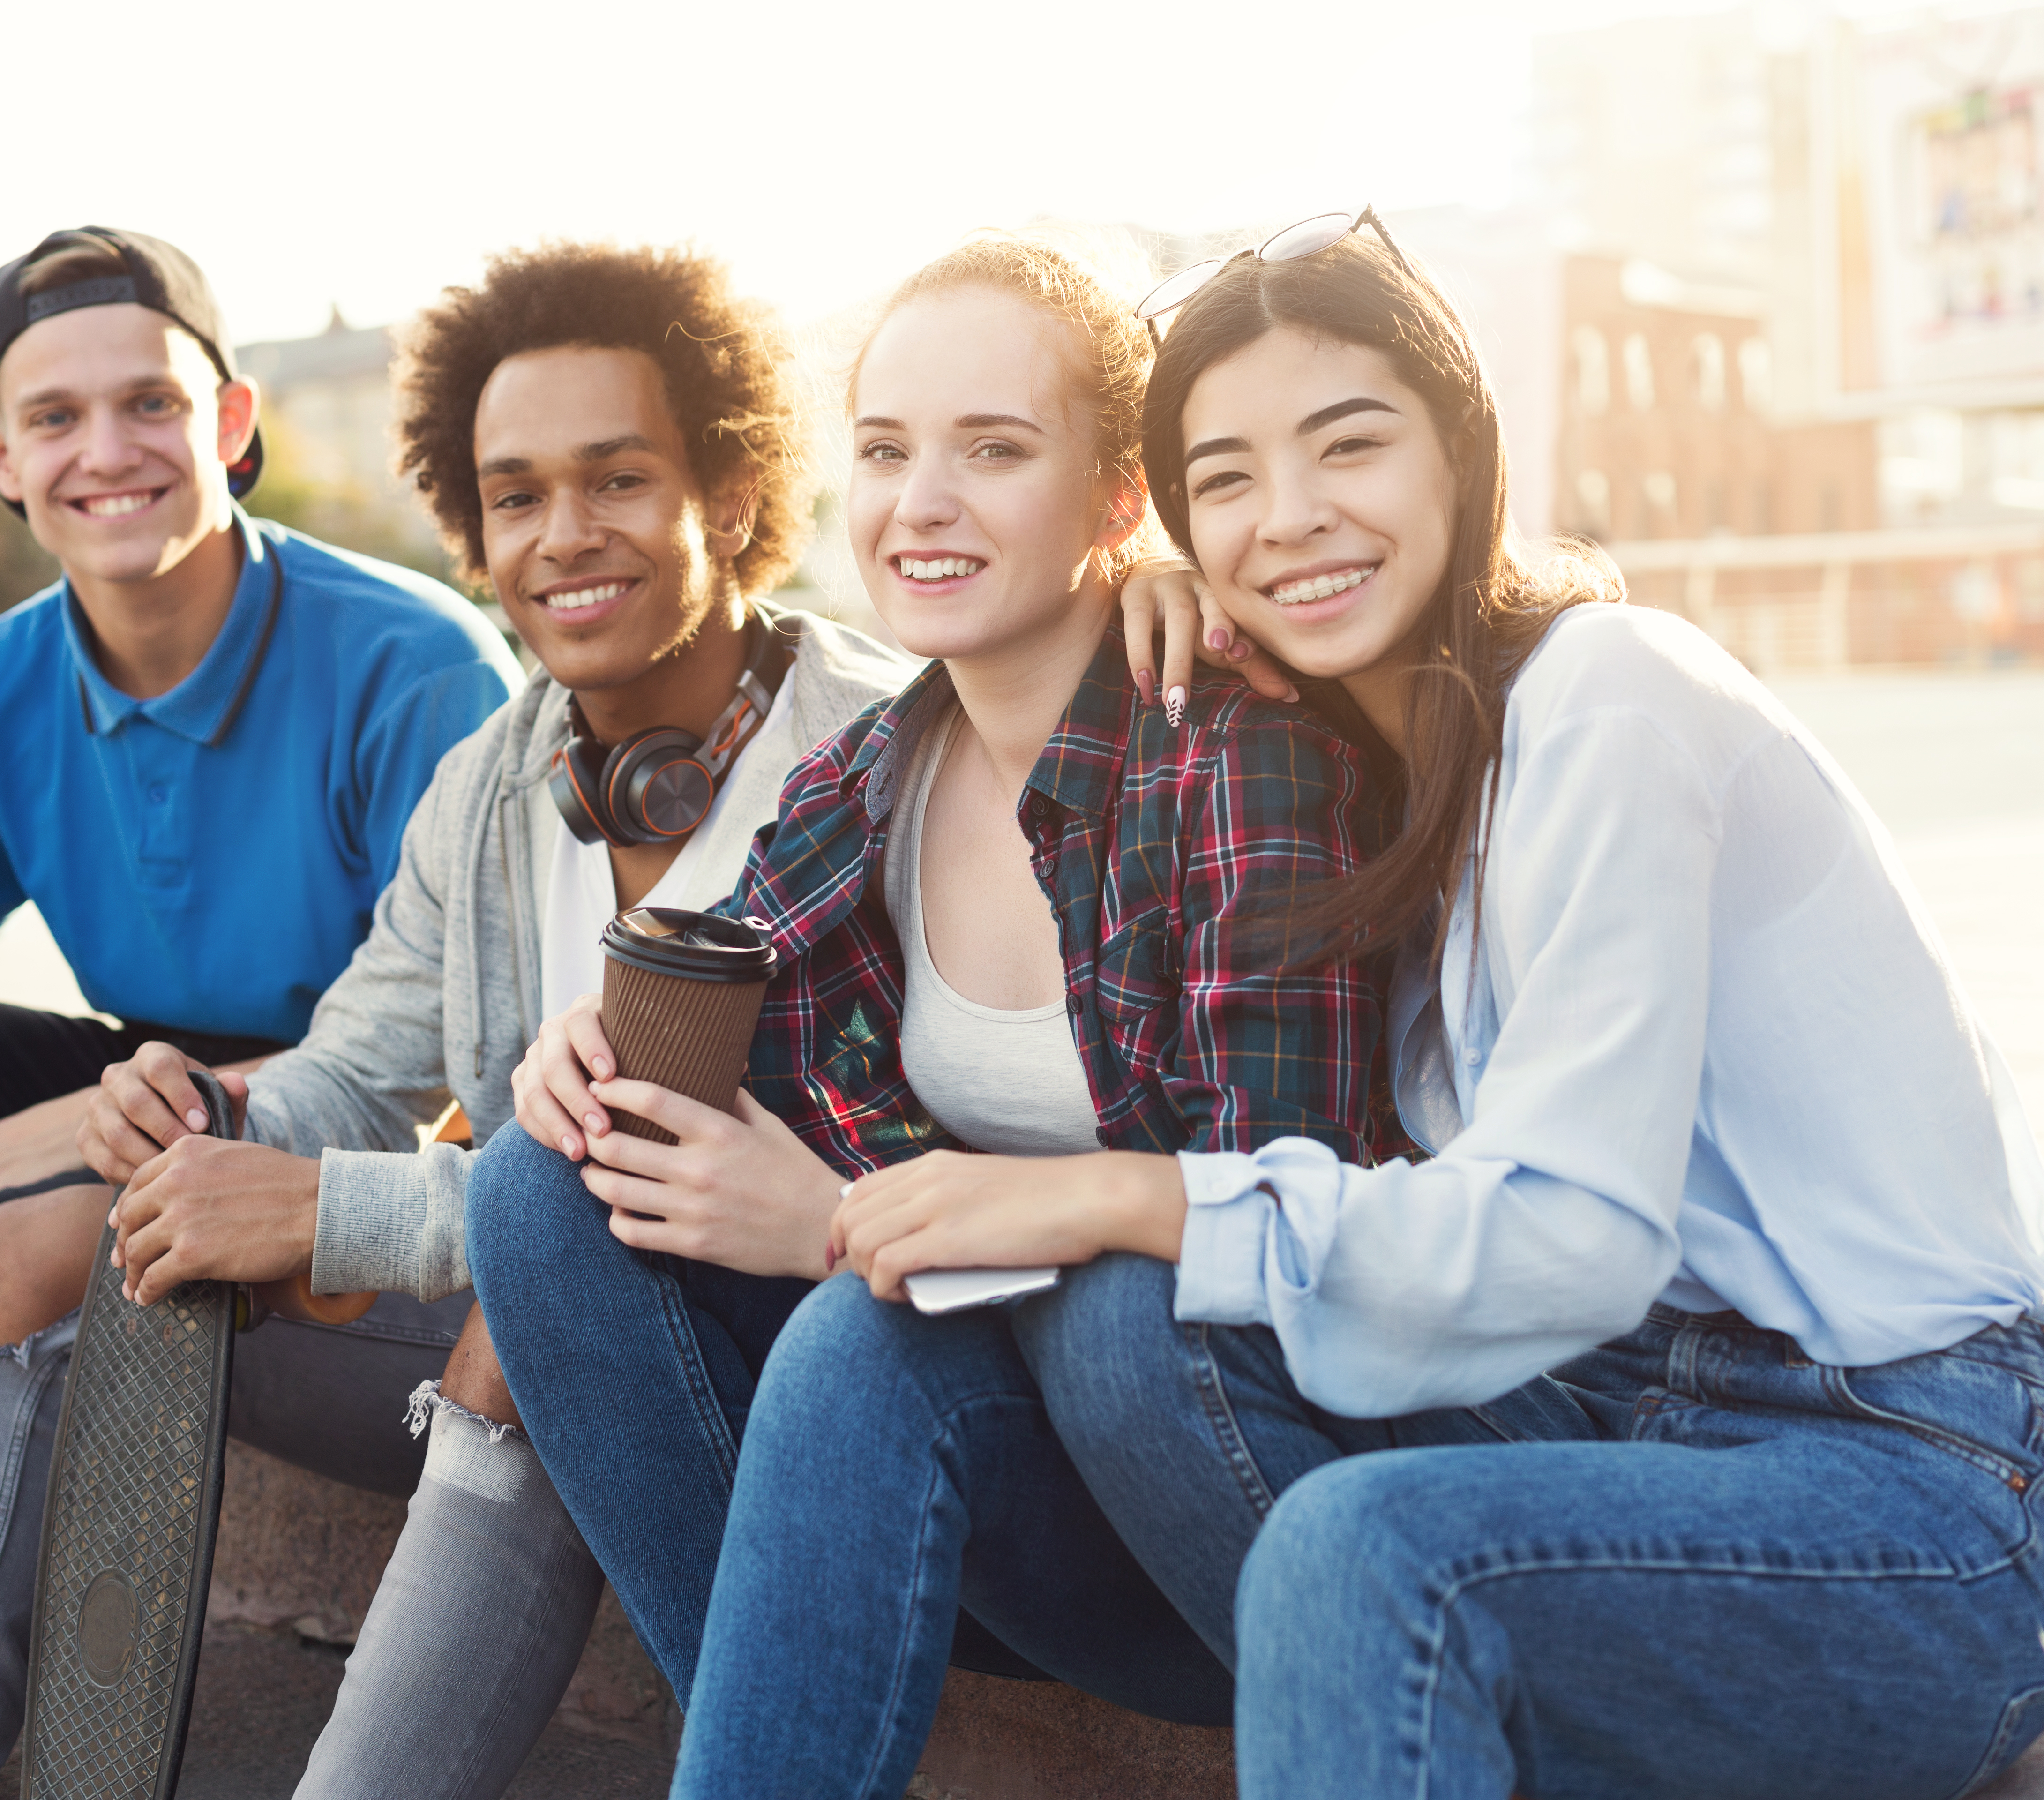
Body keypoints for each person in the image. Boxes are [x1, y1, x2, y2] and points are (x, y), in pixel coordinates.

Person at [741, 213, 2044, 1799]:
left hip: (1904, 1491)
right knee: (995, 1327)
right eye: (1226, 480)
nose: (1292, 519)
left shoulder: (1613, 699)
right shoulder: (1380, 766)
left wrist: (1111, 1187)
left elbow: (1577, 1235)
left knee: (1349, 1535)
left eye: (1349, 447)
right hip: (1591, 1428)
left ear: (1464, 450)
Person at [0, 241, 918, 1800]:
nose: (562, 538)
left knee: (521, 1321)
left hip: (773, 1346)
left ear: (726, 499)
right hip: (505, 1278)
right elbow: (352, 1062)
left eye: (616, 480)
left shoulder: (877, 755)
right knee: (27, 1250)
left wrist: (329, 1208)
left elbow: (645, 1213)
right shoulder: (493, 783)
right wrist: (203, 1119)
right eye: (516, 496)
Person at [468, 236, 1393, 1777]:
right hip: (963, 1495)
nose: (921, 503)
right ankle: (762, 1737)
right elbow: (706, 1021)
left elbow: (1289, 1243)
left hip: (1221, 1501)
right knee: (536, 1178)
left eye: (995, 449)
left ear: (1116, 502)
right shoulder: (859, 788)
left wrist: (841, 1224)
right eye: (887, 451)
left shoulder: (1238, 754)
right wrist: (594, 1056)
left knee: (867, 1337)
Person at [0, 225, 522, 1794]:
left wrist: (102, 1116)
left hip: (346, 1118)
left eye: (149, 405)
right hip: (143, 1056)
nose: (105, 452)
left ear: (232, 422)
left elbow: (449, 1064)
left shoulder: (416, 664)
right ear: (0, 455)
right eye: (54, 419)